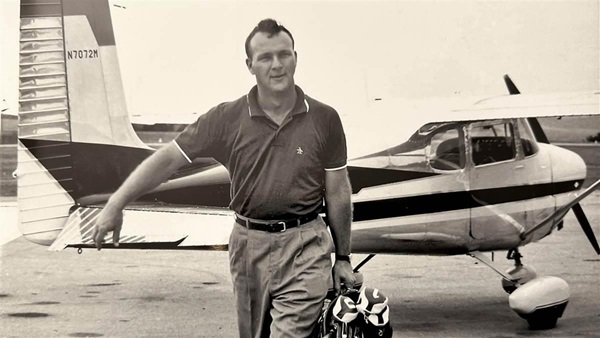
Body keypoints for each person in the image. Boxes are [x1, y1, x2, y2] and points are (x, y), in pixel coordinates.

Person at [92, 18, 355, 338]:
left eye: (284, 55)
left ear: (296, 58)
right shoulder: (225, 119)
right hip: (248, 244)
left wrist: (342, 257)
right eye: (265, 57)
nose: (277, 65)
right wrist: (116, 202)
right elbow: (167, 160)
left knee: (291, 333)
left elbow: (338, 191)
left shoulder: (325, 119)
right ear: (250, 65)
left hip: (306, 244)